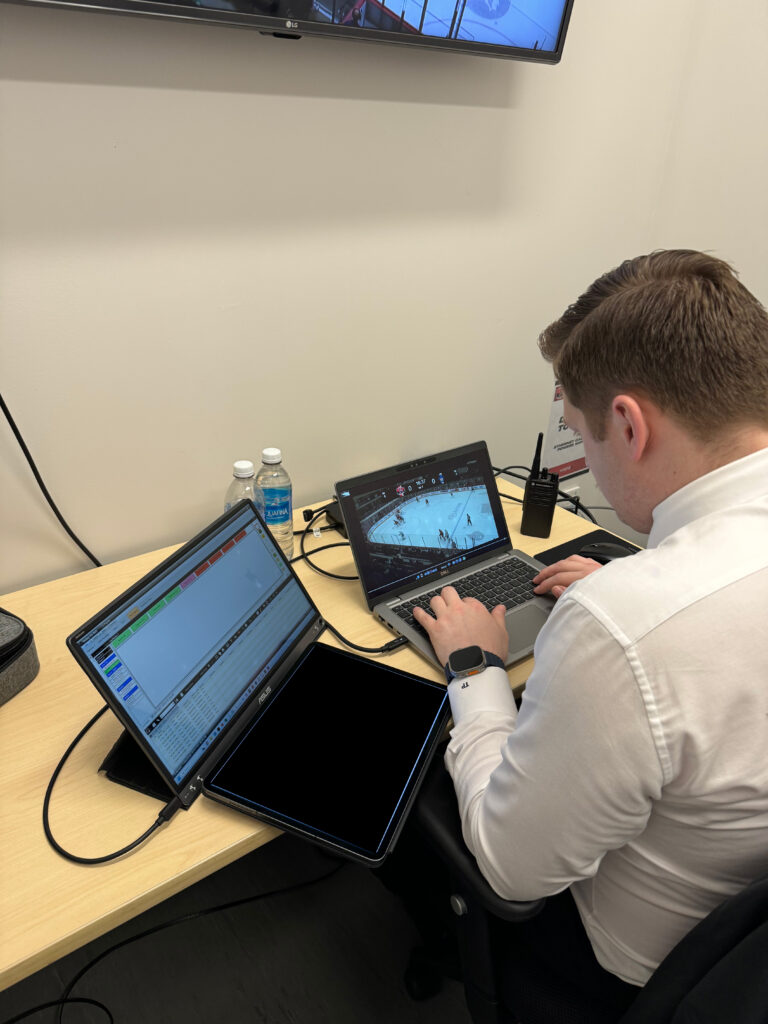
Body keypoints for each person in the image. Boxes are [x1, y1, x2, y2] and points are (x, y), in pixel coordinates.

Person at [410, 249, 768, 1018]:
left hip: (636, 971)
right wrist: (644, 596)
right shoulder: (645, 611)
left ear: (629, 425)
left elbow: (509, 870)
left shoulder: (626, 629)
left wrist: (473, 664)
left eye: (580, 435)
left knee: (414, 793)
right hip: (746, 937)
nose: (590, 471)